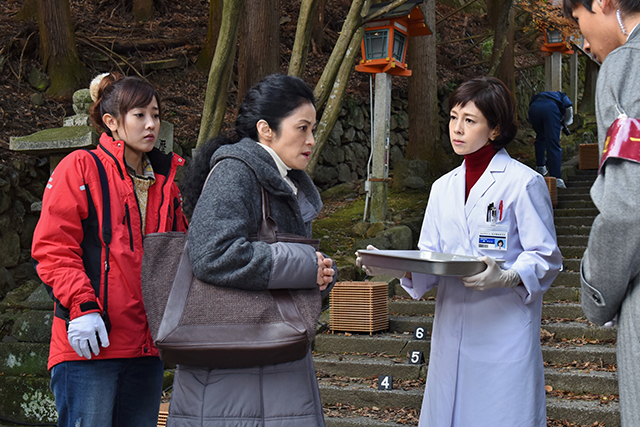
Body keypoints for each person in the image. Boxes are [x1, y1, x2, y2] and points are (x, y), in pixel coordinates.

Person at [357, 77, 562, 426]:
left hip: (503, 328)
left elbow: (546, 257)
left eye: (470, 120)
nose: (457, 129)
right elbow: (431, 256)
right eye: (453, 117)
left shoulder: (523, 182)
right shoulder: (442, 188)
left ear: (495, 129)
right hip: (452, 327)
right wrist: (395, 267)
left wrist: (508, 276)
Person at [167, 74, 336, 427]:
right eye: (302, 128)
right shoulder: (235, 172)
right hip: (231, 366)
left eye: (313, 129)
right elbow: (212, 254)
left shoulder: (281, 179)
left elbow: (280, 268)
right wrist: (303, 265)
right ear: (266, 129)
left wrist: (317, 274)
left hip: (265, 352)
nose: (311, 140)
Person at [31, 73, 189, 427]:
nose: (151, 124)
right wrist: (82, 306)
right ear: (111, 122)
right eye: (139, 115)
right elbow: (54, 247)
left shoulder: (166, 184)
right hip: (90, 341)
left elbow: (179, 257)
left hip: (147, 345)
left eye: (156, 115)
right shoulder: (80, 167)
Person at [562, 0, 640, 424]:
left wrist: (597, 295)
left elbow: (627, 207)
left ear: (602, 2)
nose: (585, 42)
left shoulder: (626, 66)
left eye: (579, 21)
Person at [528, 90, 574, 188]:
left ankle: (540, 167)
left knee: (541, 137)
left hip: (533, 109)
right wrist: (565, 123)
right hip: (550, 109)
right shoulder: (562, 96)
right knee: (553, 143)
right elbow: (568, 108)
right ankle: (556, 178)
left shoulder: (545, 95)